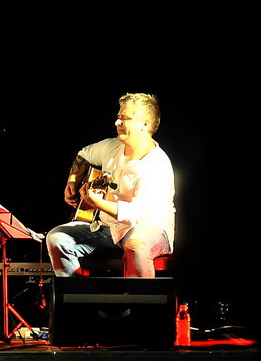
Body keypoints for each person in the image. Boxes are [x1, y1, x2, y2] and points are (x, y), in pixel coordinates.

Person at [46, 93, 175, 278]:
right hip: (108, 228)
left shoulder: (156, 165)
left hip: (149, 227)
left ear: (144, 124)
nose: (117, 123)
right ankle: (77, 299)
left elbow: (134, 215)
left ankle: (140, 304)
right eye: (118, 117)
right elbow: (84, 154)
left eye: (125, 119)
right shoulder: (111, 147)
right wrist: (73, 180)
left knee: (135, 246)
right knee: (57, 238)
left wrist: (96, 202)